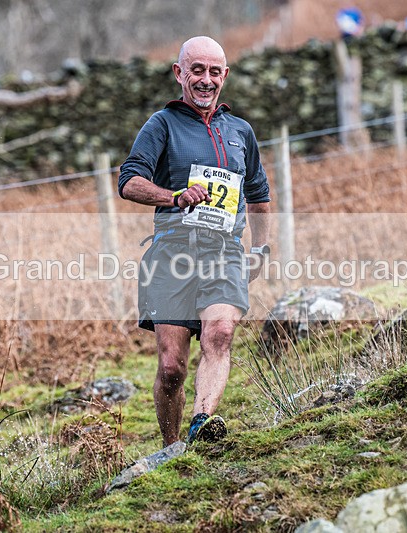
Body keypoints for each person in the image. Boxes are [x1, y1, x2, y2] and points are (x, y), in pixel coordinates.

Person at [118, 36, 271, 448]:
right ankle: (172, 449)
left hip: (224, 253)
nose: (206, 80)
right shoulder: (161, 125)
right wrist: (174, 197)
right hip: (171, 254)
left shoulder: (240, 131)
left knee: (219, 334)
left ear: (225, 75)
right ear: (179, 73)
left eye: (214, 71)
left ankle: (202, 422)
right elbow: (128, 181)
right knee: (172, 369)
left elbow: (259, 195)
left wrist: (261, 249)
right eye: (197, 70)